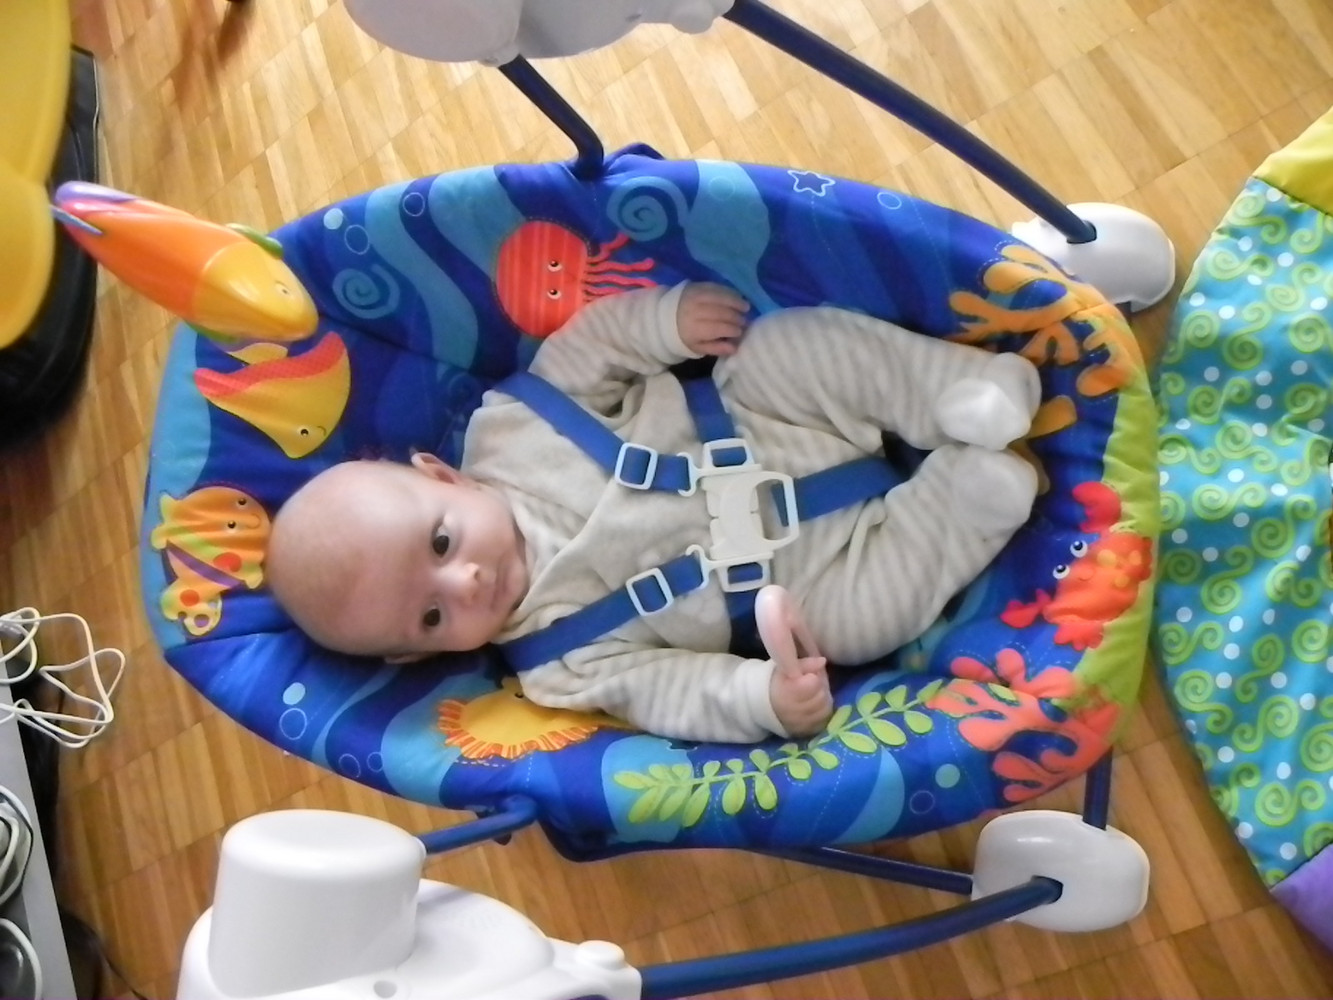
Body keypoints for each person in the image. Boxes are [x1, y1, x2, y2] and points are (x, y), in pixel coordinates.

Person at [267, 282, 1040, 744]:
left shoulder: (509, 430)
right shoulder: (556, 666)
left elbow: (587, 352)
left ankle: (960, 395)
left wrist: (661, 324)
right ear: (418, 656)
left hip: (764, 417)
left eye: (440, 542)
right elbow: (669, 689)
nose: (465, 581)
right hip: (814, 577)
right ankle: (969, 497)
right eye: (432, 616)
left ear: (442, 475)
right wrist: (760, 700)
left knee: (786, 349)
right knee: (860, 624)